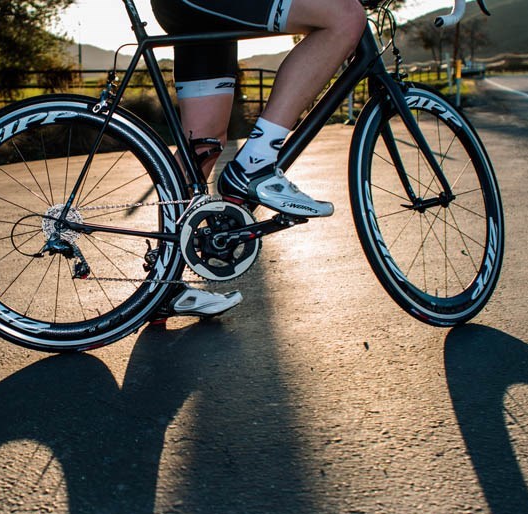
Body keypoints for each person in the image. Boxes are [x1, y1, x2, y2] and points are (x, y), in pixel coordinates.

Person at [152, 0, 367, 318]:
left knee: (202, 145)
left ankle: (161, 282)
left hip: (200, 13)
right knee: (347, 17)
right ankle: (256, 162)